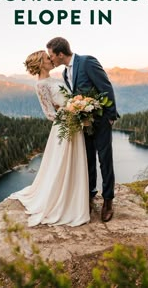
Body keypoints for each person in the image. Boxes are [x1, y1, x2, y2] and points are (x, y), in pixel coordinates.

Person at [9, 50, 90, 227]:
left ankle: (74, 198)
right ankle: (61, 201)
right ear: (40, 63)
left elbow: (65, 99)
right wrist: (69, 114)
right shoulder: (40, 85)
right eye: (47, 58)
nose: (51, 59)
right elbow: (49, 113)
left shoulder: (56, 78)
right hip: (64, 126)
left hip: (73, 124)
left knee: (74, 163)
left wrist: (77, 108)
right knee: (62, 164)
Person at [47, 37, 119, 222]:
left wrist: (110, 116)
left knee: (105, 160)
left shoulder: (87, 62)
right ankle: (89, 195)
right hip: (83, 124)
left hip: (101, 121)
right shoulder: (64, 73)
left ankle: (108, 201)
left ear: (60, 54)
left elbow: (105, 87)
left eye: (52, 55)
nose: (51, 59)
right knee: (87, 161)